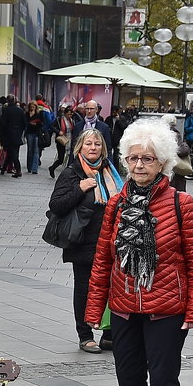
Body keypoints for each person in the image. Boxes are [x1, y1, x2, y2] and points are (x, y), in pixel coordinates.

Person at [84, 120, 193, 386]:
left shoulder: (180, 203)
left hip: (166, 311)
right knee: (130, 383)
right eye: (133, 158)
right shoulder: (117, 205)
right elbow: (103, 262)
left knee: (164, 385)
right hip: (124, 309)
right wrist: (94, 311)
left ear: (163, 163)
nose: (139, 165)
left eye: (148, 159)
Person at [49, 128, 123, 353]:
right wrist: (79, 189)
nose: (93, 148)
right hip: (83, 242)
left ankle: (109, 335)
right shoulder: (72, 173)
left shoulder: (111, 171)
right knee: (85, 289)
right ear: (79, 147)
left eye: (97, 144)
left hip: (110, 242)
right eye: (89, 144)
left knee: (112, 288)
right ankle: (85, 335)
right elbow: (56, 205)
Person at [0, 96, 27, 178]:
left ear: (7, 100)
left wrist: (3, 134)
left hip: (8, 135)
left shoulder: (6, 110)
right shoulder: (20, 111)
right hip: (17, 135)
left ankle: (18, 170)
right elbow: (24, 123)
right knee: (12, 153)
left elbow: (2, 123)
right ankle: (3, 168)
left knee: (12, 154)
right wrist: (20, 132)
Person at [48, 105, 77, 178]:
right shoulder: (59, 119)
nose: (69, 116)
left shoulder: (72, 120)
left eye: (71, 114)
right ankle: (52, 168)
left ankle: (67, 173)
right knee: (61, 158)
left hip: (70, 140)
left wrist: (76, 113)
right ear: (65, 113)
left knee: (69, 157)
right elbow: (51, 126)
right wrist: (58, 131)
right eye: (68, 114)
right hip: (62, 141)